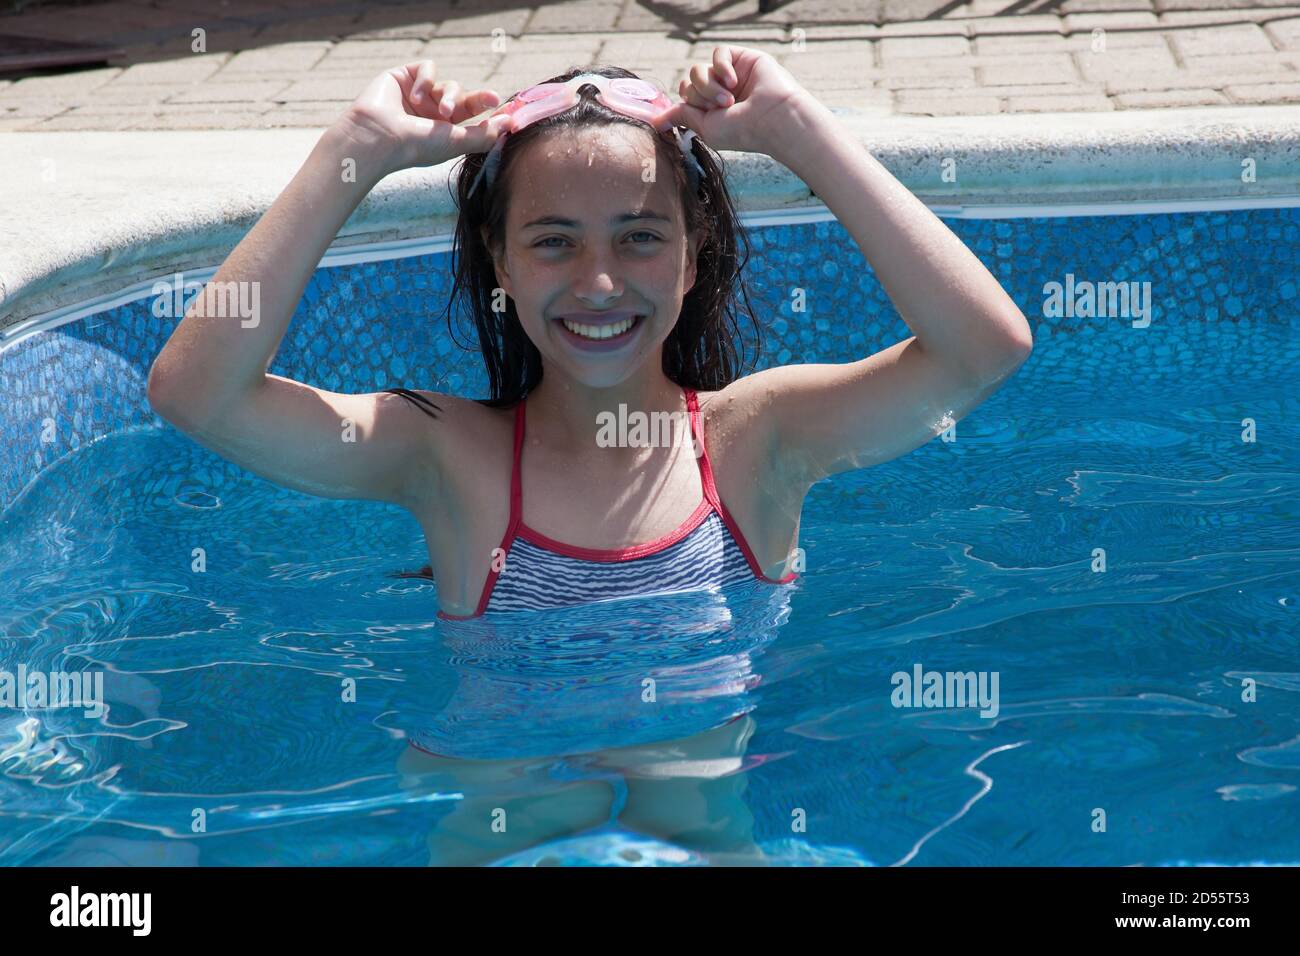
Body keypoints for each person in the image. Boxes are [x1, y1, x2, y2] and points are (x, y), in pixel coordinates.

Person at [147, 46, 1032, 864]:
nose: (598, 281)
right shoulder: (450, 456)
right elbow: (199, 393)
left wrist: (794, 130)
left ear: (694, 258)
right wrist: (356, 150)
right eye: (553, 240)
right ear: (499, 261)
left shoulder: (757, 441)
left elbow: (982, 347)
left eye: (640, 236)